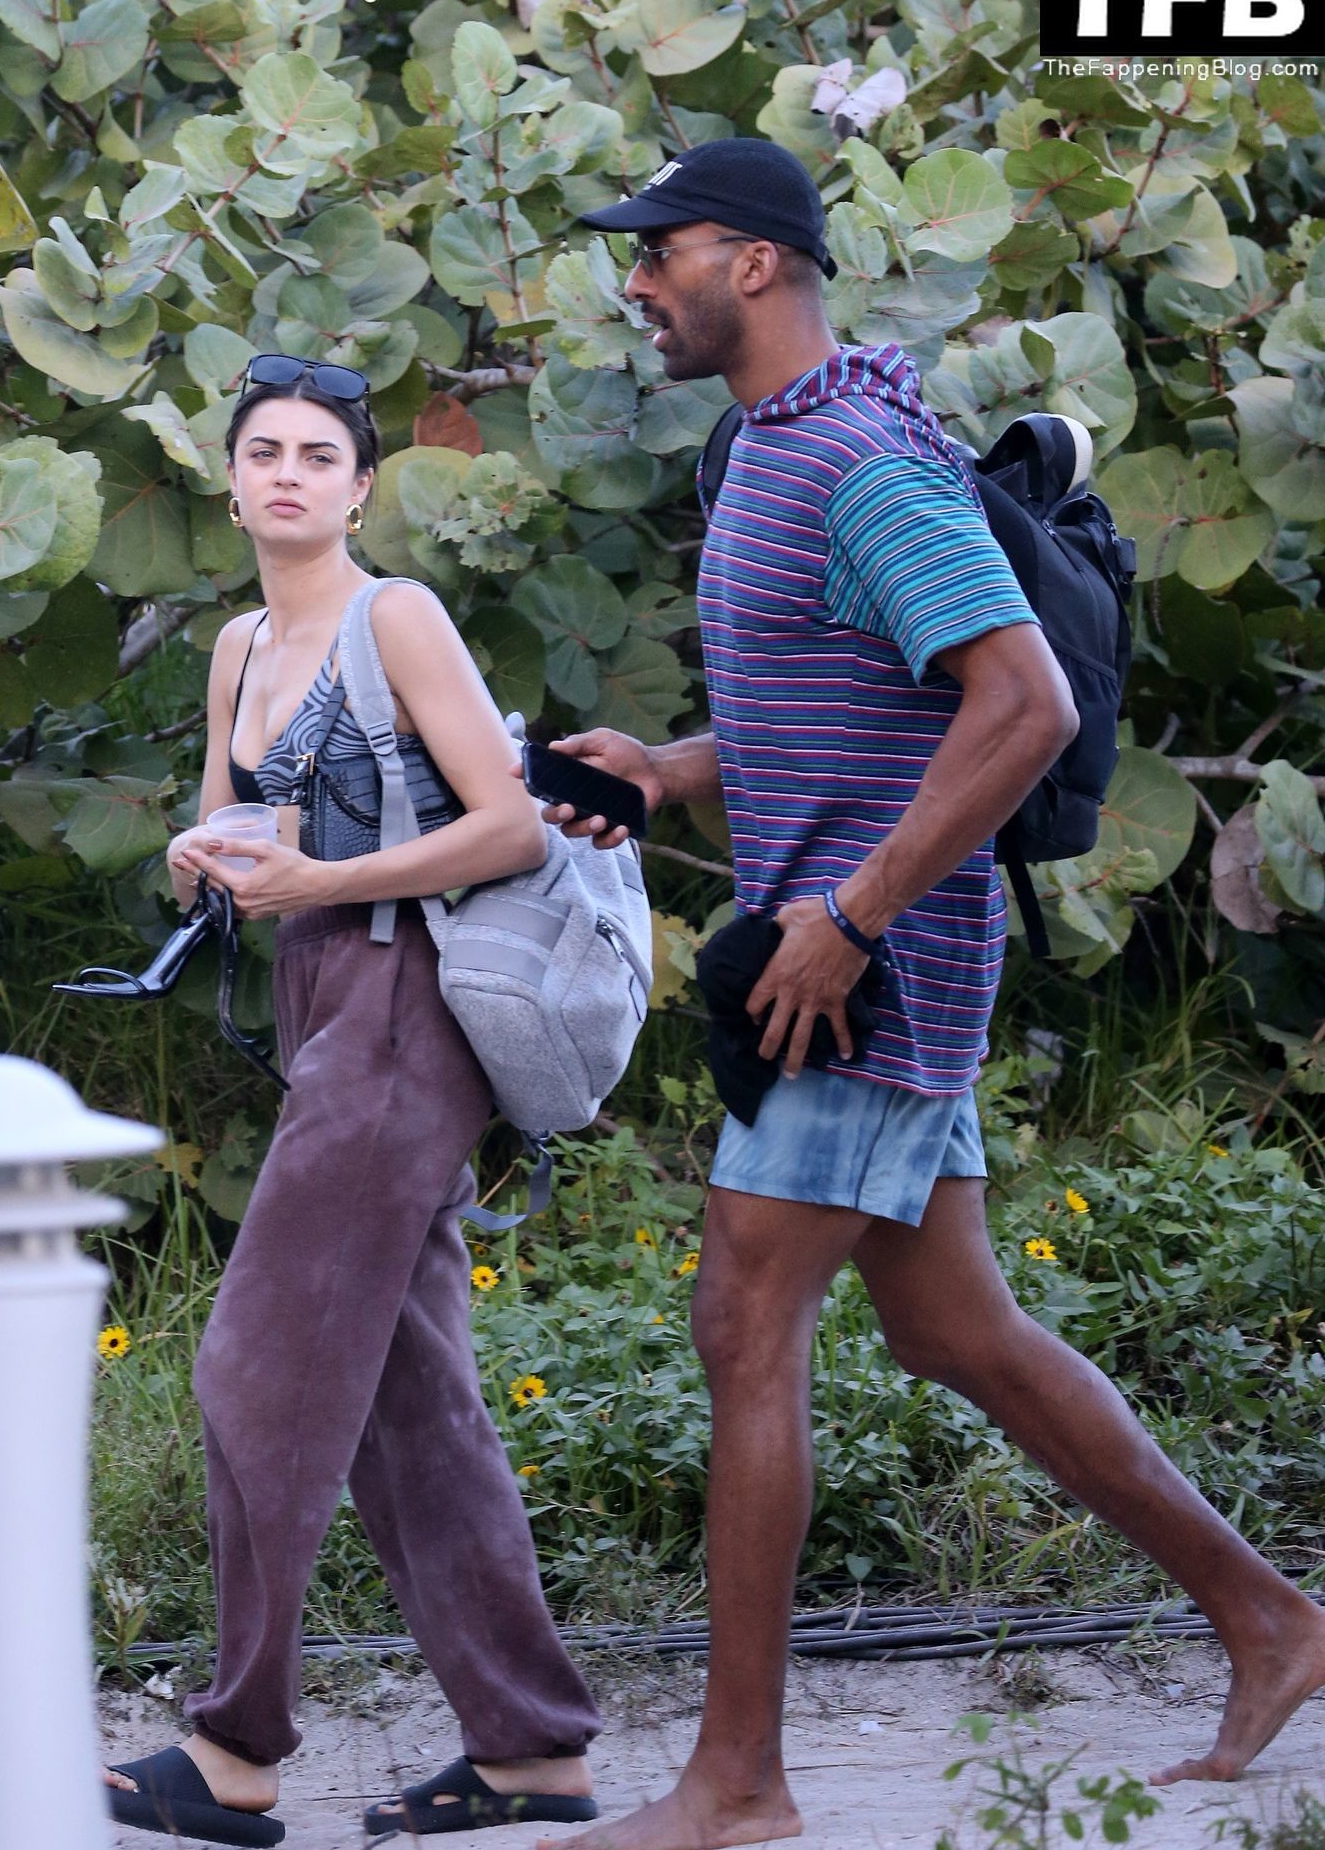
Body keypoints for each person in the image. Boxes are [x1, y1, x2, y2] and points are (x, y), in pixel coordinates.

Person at [522, 138, 1325, 1850]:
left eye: (660, 252)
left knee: (744, 1317)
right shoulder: (772, 445)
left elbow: (1020, 703)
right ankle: (1272, 1621)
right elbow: (857, 701)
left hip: (867, 970)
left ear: (753, 262)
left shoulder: (865, 462)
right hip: (851, 947)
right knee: (952, 1329)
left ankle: (738, 1785)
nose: (637, 283)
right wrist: (672, 767)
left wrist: (852, 918)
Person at [103, 354, 601, 1846]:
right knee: (409, 1399)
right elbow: (232, 829)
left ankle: (238, 1749)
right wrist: (206, 859)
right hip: (319, 996)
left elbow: (509, 825)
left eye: (320, 455)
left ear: (361, 489)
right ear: (230, 482)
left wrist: (323, 880)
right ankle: (531, 1749)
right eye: (265, 451)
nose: (290, 475)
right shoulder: (238, 644)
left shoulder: (399, 619)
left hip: (405, 1002)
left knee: (254, 1366)